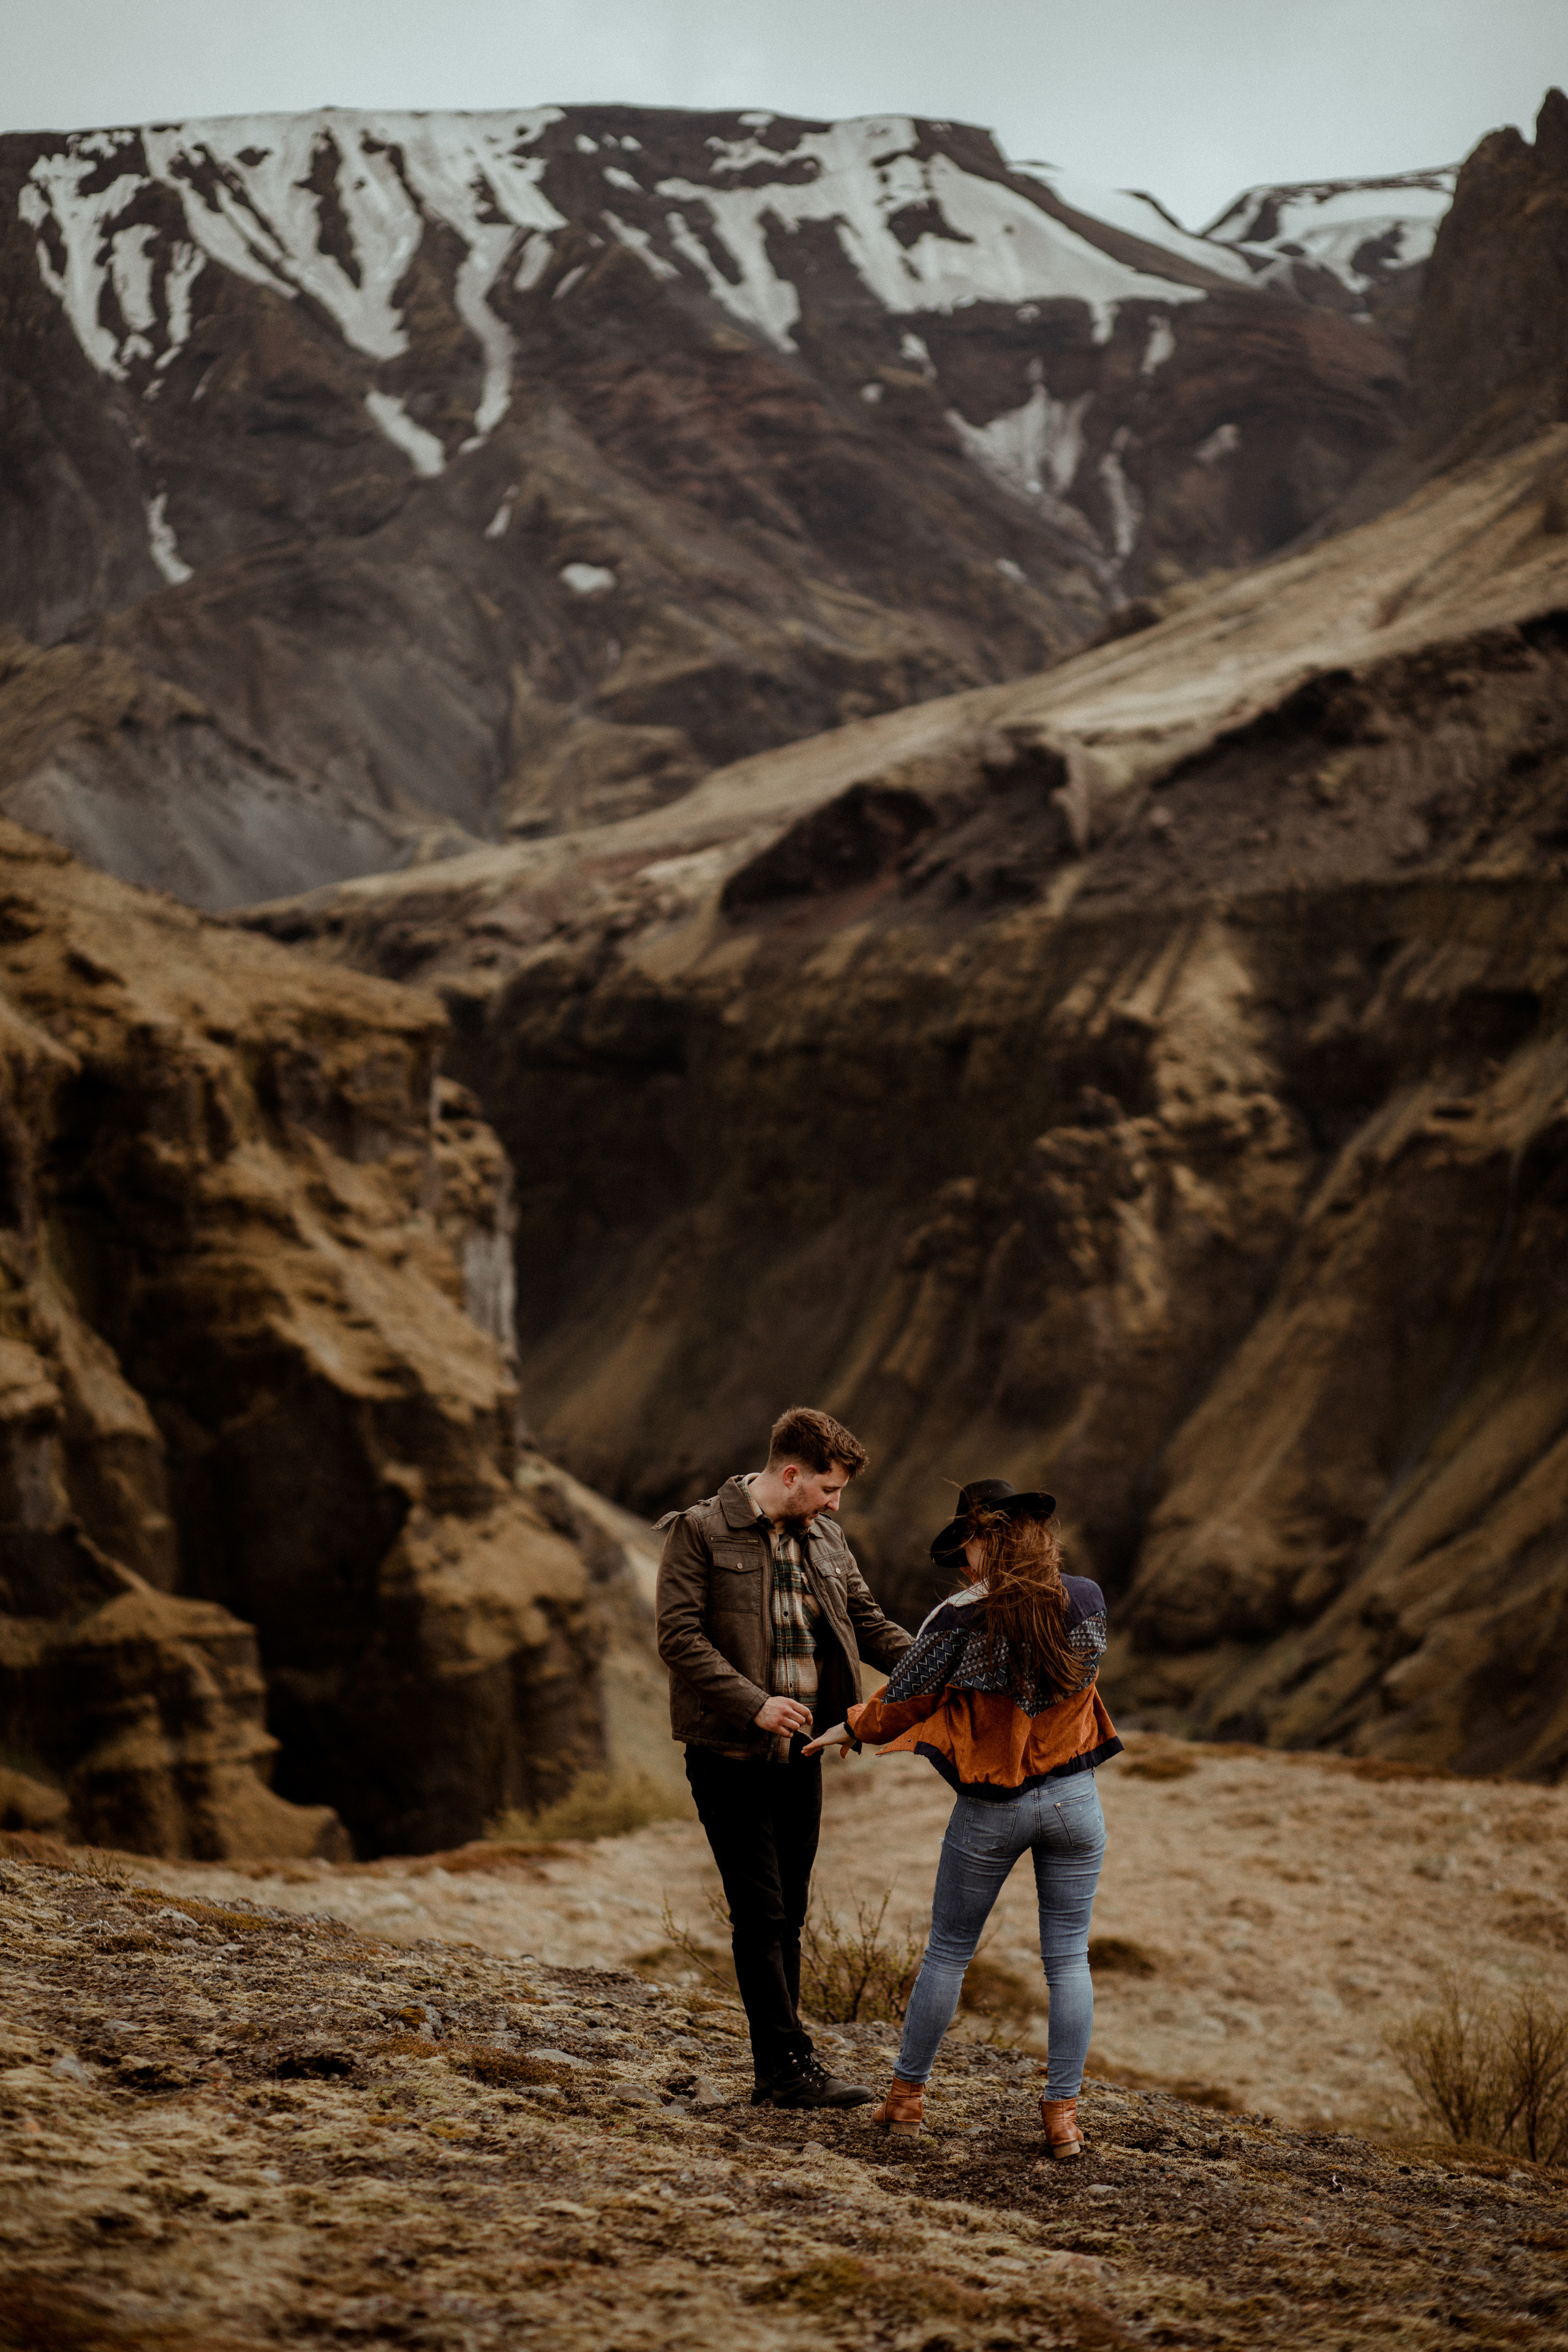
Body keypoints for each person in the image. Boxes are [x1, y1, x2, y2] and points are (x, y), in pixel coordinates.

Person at [804, 1477, 1122, 2159]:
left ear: (986, 1539)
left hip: (991, 1809)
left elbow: (907, 1696)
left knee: (948, 1953)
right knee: (1069, 1960)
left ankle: (906, 2099)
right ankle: (1063, 2118)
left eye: (965, 1548)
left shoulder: (959, 1618)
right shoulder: (1087, 1598)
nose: (961, 1564)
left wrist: (851, 1727)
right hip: (1075, 1802)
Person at [655, 1405, 914, 2110]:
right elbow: (678, 1638)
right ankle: (786, 2067)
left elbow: (865, 1621)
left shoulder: (825, 1536)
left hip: (803, 1755)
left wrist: (939, 1663)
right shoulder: (699, 1531)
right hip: (728, 1754)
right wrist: (754, 1704)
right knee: (762, 1914)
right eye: (829, 1490)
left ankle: (783, 2069)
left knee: (790, 1913)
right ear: (792, 1475)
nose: (835, 1505)